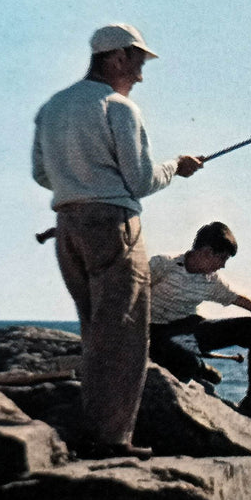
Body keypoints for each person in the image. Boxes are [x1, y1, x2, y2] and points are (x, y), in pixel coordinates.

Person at [32, 23, 204, 460]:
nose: (143, 69)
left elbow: (40, 174)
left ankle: (93, 430)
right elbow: (142, 180)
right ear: (116, 57)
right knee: (125, 335)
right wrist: (176, 167)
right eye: (139, 59)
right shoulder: (120, 108)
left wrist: (77, 181)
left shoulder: (52, 107)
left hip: (67, 225)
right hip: (114, 225)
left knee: (95, 332)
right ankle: (111, 441)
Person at [147, 222, 251, 431]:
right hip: (153, 332)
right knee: (185, 364)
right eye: (222, 258)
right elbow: (126, 291)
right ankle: (198, 367)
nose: (223, 265)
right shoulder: (164, 265)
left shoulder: (211, 281)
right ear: (207, 252)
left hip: (188, 328)